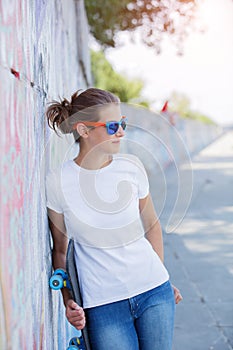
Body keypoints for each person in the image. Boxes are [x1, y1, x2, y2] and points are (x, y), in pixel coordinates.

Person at [45, 88, 182, 350]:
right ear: (84, 130)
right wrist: (67, 300)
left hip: (154, 292)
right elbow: (60, 251)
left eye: (123, 124)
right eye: (111, 126)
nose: (120, 131)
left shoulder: (131, 167)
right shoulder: (58, 182)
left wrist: (161, 274)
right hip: (103, 305)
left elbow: (152, 225)